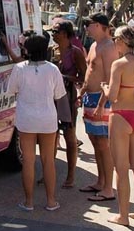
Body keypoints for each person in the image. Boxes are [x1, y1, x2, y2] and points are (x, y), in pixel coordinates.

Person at [97, 26, 134, 225]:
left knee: (121, 168)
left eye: (115, 40)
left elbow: (112, 97)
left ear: (121, 41)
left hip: (121, 116)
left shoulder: (118, 64)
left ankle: (124, 215)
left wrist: (104, 87)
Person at [6, 33, 66, 212]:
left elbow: (11, 90)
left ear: (28, 50)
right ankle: (51, 201)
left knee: (29, 161)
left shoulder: (19, 68)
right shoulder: (53, 69)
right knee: (48, 161)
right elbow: (58, 95)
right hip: (48, 119)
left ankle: (29, 202)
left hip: (26, 119)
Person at [78, 13, 118, 201]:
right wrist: (82, 92)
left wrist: (102, 103)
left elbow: (110, 78)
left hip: (102, 101)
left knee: (103, 144)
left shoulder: (109, 47)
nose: (87, 27)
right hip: (90, 99)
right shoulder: (94, 45)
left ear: (100, 25)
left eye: (90, 24)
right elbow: (90, 71)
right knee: (95, 142)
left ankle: (108, 187)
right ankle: (100, 181)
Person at [51, 21, 85, 189]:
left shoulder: (75, 52)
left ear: (64, 33)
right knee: (51, 136)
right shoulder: (52, 51)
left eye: (55, 31)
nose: (53, 34)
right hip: (51, 99)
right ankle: (49, 173)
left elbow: (83, 77)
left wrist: (65, 77)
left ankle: (71, 175)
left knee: (69, 137)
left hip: (68, 98)